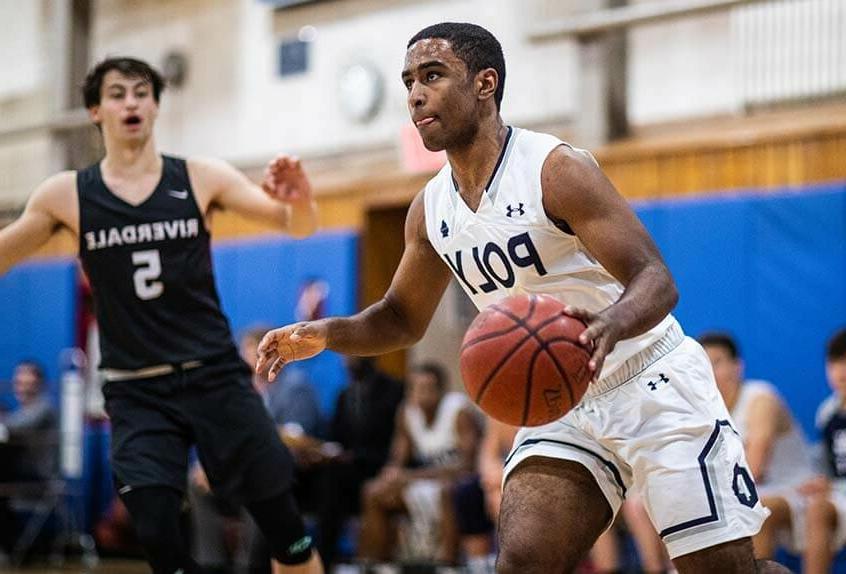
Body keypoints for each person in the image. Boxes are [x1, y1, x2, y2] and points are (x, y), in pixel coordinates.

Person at [257, 22, 786, 573]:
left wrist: (607, 323)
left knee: (725, 570)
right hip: (563, 399)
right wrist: (325, 333)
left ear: (485, 83)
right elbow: (400, 318)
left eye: (433, 76)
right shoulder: (430, 209)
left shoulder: (554, 170)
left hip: (652, 381)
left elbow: (655, 279)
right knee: (524, 560)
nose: (415, 94)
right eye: (409, 80)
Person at [0, 57, 322, 574]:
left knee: (287, 531)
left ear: (154, 106)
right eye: (118, 93)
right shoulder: (67, 194)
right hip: (137, 390)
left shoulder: (199, 176)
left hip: (214, 376)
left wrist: (301, 201)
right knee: (155, 533)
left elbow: (295, 224)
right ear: (95, 110)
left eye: (141, 92)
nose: (131, 102)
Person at [189, 327, 323, 574]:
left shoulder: (294, 387)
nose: (250, 359)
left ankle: (248, 566)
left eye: (256, 351)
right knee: (197, 478)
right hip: (244, 471)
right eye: (246, 352)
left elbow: (298, 438)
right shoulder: (239, 393)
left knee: (259, 479)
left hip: (290, 476)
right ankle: (211, 564)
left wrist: (248, 451)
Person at [699, 332, 815, 561]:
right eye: (704, 364)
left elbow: (755, 469)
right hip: (745, 492)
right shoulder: (704, 410)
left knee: (752, 509)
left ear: (738, 366)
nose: (710, 372)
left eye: (717, 362)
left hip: (795, 489)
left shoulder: (761, 398)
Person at [358, 362, 480, 567]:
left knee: (447, 492)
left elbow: (467, 466)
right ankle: (373, 564)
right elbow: (397, 460)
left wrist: (411, 477)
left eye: (427, 388)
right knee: (373, 492)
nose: (420, 394)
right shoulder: (406, 413)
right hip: (425, 481)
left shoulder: (458, 411)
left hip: (459, 484)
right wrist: (391, 475)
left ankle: (446, 564)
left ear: (441, 390)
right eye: (415, 388)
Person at [311, 356, 404, 568]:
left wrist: (357, 456)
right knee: (326, 479)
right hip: (349, 470)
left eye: (352, 357)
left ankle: (363, 563)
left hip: (380, 466)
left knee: (337, 482)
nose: (347, 362)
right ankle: (324, 560)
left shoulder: (395, 390)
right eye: (345, 358)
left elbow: (396, 442)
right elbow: (335, 438)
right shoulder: (344, 395)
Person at [795, 328, 846, 574]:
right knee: (815, 507)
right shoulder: (827, 412)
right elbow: (827, 465)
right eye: (835, 363)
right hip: (840, 492)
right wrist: (822, 481)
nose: (842, 371)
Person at [0, 361, 58, 555]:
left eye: (26, 382)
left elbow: (13, 427)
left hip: (39, 476)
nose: (20, 387)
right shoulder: (22, 411)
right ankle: (11, 545)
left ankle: (11, 546)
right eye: (18, 382)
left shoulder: (43, 408)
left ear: (38, 383)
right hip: (22, 473)